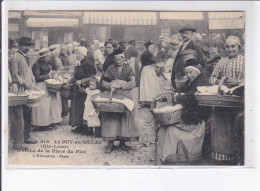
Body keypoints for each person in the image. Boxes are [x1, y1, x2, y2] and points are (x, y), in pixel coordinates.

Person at [158, 60, 210, 164]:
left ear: (197, 72)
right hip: (189, 115)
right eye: (186, 73)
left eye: (191, 72)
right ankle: (165, 156)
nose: (188, 75)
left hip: (196, 121)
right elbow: (183, 91)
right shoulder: (191, 82)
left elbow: (192, 97)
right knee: (163, 128)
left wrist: (180, 96)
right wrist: (178, 94)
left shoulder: (202, 83)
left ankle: (173, 155)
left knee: (170, 129)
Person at [209, 36, 244, 164]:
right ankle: (221, 157)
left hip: (238, 99)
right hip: (222, 99)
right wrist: (219, 81)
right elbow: (212, 78)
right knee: (222, 128)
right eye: (228, 47)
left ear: (239, 47)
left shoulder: (244, 60)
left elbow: (252, 77)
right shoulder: (222, 61)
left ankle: (237, 158)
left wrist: (238, 81)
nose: (230, 49)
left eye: (233, 46)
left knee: (235, 127)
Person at [101, 49, 140, 154]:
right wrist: (110, 85)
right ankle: (111, 142)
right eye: (116, 59)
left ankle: (123, 141)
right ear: (114, 59)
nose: (118, 61)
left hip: (125, 96)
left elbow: (133, 84)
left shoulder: (128, 69)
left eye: (120, 59)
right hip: (113, 96)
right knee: (111, 118)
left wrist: (121, 85)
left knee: (124, 118)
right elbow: (103, 82)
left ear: (123, 59)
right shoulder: (110, 69)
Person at [11, 36, 37, 144]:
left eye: (29, 46)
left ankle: (20, 136)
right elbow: (15, 75)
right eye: (26, 46)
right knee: (24, 114)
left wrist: (32, 83)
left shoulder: (24, 56)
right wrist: (26, 84)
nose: (28, 48)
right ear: (20, 45)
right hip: (21, 89)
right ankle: (25, 137)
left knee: (26, 113)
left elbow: (27, 72)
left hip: (27, 88)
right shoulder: (16, 57)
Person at [31, 48, 62, 128]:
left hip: (48, 85)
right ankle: (41, 124)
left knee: (50, 104)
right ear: (43, 57)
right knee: (43, 106)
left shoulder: (46, 63)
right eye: (47, 57)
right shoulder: (36, 65)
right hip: (41, 86)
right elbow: (37, 77)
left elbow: (48, 71)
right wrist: (48, 75)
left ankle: (51, 121)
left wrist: (52, 74)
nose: (49, 58)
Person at [70, 46, 97, 134]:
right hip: (77, 88)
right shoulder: (78, 63)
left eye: (78, 53)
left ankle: (85, 127)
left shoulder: (88, 64)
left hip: (84, 89)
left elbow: (93, 76)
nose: (77, 55)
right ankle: (79, 125)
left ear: (83, 54)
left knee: (84, 108)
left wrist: (82, 81)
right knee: (77, 107)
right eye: (76, 53)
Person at [171, 25, 206, 90]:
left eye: (187, 33)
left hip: (188, 78)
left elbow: (203, 61)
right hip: (179, 78)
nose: (184, 35)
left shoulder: (195, 46)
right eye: (183, 33)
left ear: (192, 35)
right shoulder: (182, 46)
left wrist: (196, 76)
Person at [139, 41, 162, 107]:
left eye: (153, 48)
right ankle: (149, 100)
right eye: (151, 48)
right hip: (147, 70)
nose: (153, 49)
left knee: (150, 84)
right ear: (148, 48)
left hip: (149, 69)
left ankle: (149, 100)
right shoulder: (146, 54)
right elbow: (154, 60)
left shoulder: (147, 53)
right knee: (149, 84)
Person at [59, 45, 70, 117]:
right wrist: (66, 67)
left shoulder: (66, 56)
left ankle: (66, 108)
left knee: (66, 91)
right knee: (63, 91)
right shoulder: (60, 57)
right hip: (62, 74)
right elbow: (60, 67)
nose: (64, 51)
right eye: (63, 50)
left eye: (65, 50)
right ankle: (64, 109)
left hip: (66, 74)